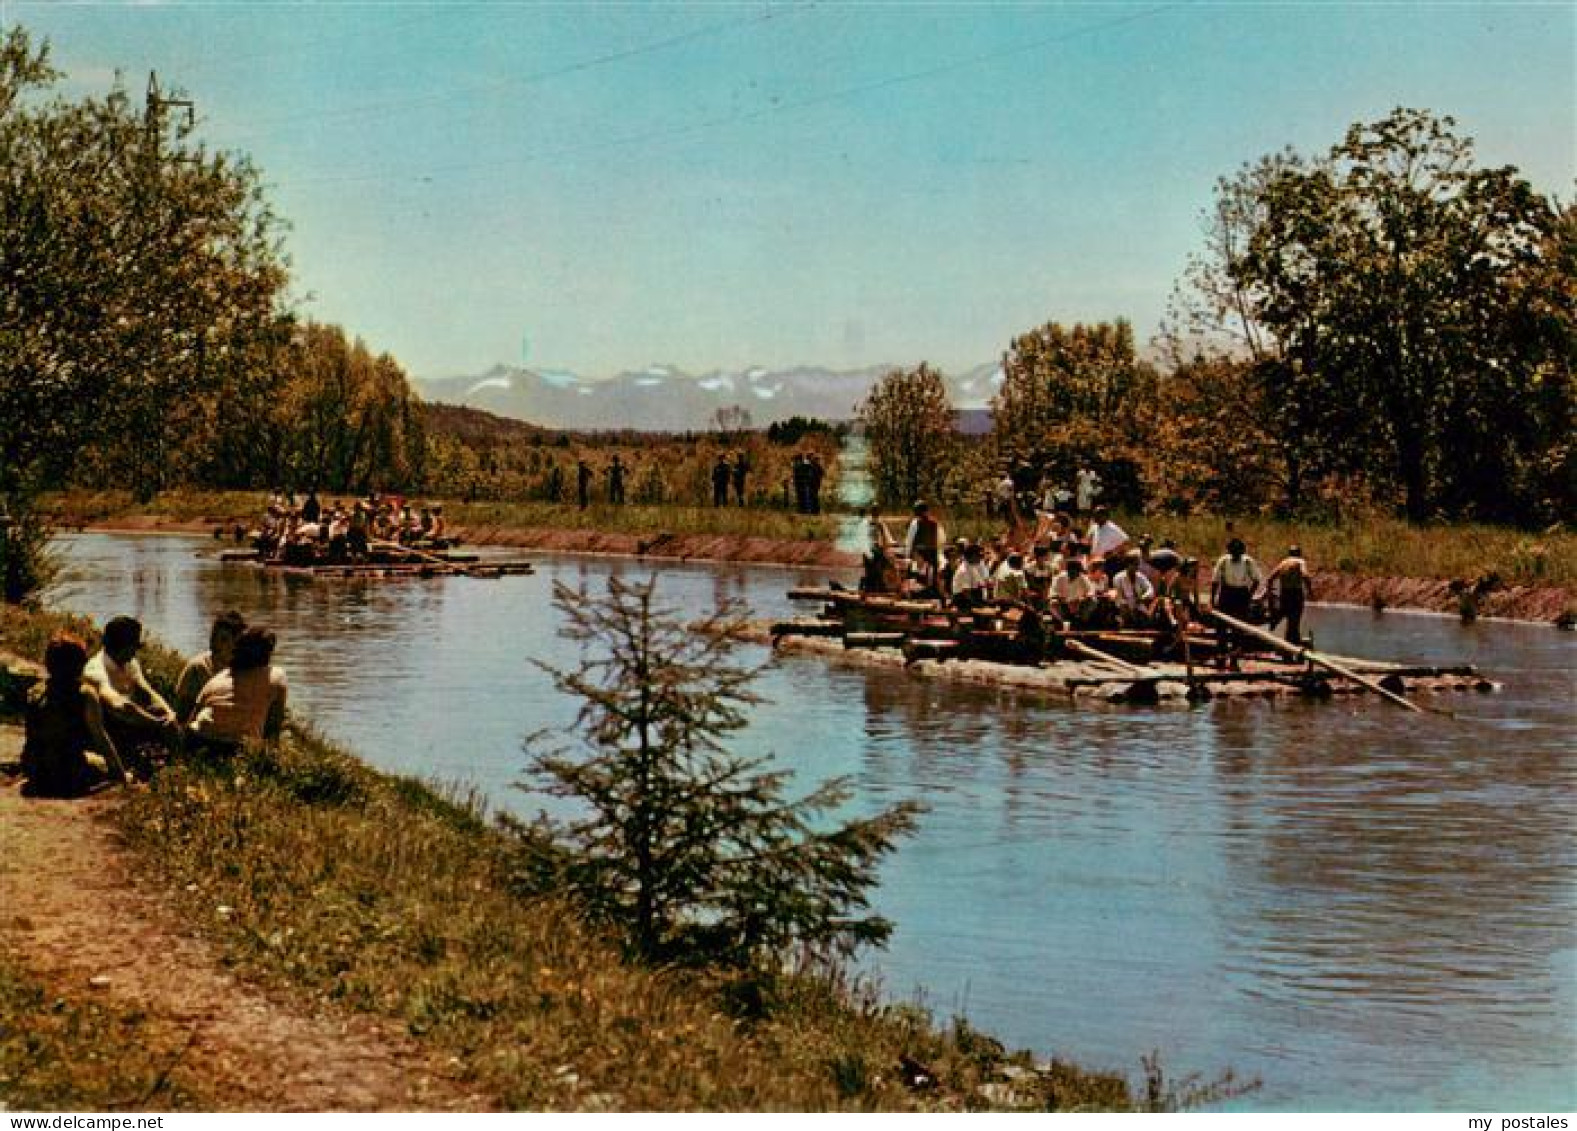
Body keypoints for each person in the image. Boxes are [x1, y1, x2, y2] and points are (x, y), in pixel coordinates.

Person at [21, 633, 131, 797]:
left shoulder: (35, 691)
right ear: (79, 664)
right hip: (67, 771)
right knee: (103, 763)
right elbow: (101, 737)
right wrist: (121, 775)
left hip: (34, 768)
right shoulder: (85, 693)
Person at [84, 616, 179, 765]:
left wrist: (169, 713)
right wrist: (157, 723)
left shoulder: (129, 662)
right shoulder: (96, 670)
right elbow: (119, 706)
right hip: (110, 725)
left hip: (133, 719)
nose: (135, 653)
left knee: (161, 712)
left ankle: (177, 760)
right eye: (133, 647)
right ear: (121, 646)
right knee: (158, 721)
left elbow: (147, 690)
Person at [188, 627, 288, 753]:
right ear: (267, 654)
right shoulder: (277, 676)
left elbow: (192, 717)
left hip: (197, 738)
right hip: (237, 746)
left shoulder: (219, 678)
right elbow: (273, 729)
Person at [175, 610, 247, 722]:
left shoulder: (246, 669)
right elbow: (182, 715)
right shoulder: (197, 668)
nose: (231, 645)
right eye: (223, 639)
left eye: (236, 640)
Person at [1211, 537, 1264, 658]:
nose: (1235, 555)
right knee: (1221, 626)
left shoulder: (1247, 561)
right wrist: (1213, 599)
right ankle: (1221, 654)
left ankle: (1234, 656)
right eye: (1233, 552)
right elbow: (1215, 580)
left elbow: (1256, 580)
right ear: (1229, 551)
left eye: (1238, 553)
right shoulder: (1223, 561)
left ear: (1242, 552)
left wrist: (1249, 596)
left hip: (1241, 594)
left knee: (1238, 627)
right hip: (1226, 593)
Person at [1266, 544, 1314, 644]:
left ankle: (1276, 618)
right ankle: (1290, 647)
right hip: (1296, 594)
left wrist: (1270, 593)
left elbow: (1270, 578)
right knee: (1294, 622)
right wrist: (1310, 591)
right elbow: (1305, 575)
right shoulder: (1300, 561)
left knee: (1288, 618)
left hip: (1284, 593)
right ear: (1299, 554)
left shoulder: (1283, 562)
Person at [903, 502, 944, 592]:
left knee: (917, 573)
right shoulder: (935, 522)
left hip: (920, 553)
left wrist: (907, 554)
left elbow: (910, 540)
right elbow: (941, 539)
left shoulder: (916, 522)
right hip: (932, 552)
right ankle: (933, 591)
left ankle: (916, 591)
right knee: (932, 574)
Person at [1084, 506, 1132, 580]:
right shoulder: (1094, 526)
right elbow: (1089, 540)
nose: (1096, 517)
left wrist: (1113, 552)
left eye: (1098, 515)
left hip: (1108, 562)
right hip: (1095, 560)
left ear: (1105, 516)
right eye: (1095, 514)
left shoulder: (1112, 528)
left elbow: (1126, 541)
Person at [1111, 551, 1157, 627]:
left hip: (1138, 606)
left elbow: (1150, 589)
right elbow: (1119, 597)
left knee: (1147, 619)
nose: (1137, 567)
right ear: (1128, 564)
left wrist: (1143, 597)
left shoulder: (1140, 576)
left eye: (1137, 564)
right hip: (1123, 608)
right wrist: (1129, 608)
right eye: (1135, 564)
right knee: (1124, 608)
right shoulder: (1118, 577)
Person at [1050, 557, 1098, 628]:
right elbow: (1052, 593)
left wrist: (1081, 599)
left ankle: (1081, 621)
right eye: (1077, 571)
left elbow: (1091, 591)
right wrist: (1063, 600)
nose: (1078, 573)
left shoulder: (1082, 578)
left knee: (1093, 601)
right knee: (1053, 602)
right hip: (1063, 603)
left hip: (1078, 604)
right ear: (1070, 571)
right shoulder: (1059, 578)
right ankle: (1062, 623)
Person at [950, 543, 993, 610]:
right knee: (984, 609)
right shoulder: (964, 570)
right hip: (961, 598)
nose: (981, 558)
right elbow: (966, 592)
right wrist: (979, 606)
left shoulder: (973, 565)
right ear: (972, 556)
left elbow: (984, 581)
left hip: (971, 594)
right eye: (979, 556)